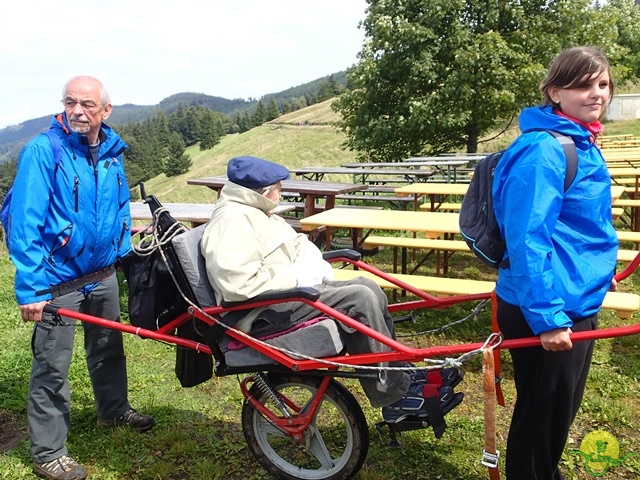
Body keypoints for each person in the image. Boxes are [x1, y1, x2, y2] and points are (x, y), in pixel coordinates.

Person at [201, 155, 464, 433]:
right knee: (359, 300)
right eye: (278, 187)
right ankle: (393, 399)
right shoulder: (233, 222)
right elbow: (237, 285)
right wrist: (298, 276)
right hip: (261, 311)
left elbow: (296, 241)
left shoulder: (254, 211)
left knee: (368, 286)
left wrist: (311, 262)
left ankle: (400, 377)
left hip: (284, 295)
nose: (281, 192)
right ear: (263, 191)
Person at [5, 76, 154, 480]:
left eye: (87, 104)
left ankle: (113, 410)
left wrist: (124, 248)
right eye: (70, 102)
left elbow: (119, 204)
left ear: (106, 110)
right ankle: (48, 451)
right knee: (52, 365)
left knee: (108, 346)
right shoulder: (43, 150)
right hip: (58, 279)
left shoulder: (110, 149)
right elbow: (24, 222)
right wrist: (32, 287)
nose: (77, 111)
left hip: (102, 272)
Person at [492, 46, 618, 479]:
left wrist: (601, 272)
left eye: (602, 84)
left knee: (557, 409)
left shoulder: (582, 139)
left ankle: (544, 470)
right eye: (583, 84)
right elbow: (527, 239)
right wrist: (547, 318)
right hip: (546, 306)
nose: (596, 93)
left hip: (572, 295)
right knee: (542, 412)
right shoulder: (545, 150)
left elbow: (580, 225)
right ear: (554, 91)